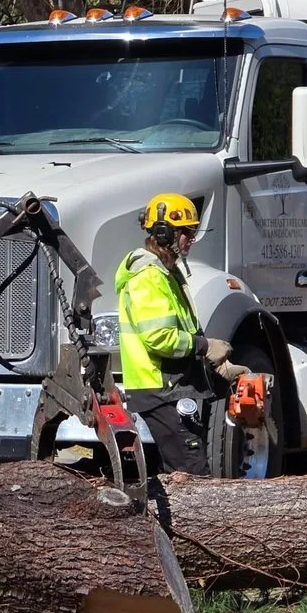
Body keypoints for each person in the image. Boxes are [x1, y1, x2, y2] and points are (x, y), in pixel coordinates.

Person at [115, 192, 246, 474]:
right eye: (187, 232)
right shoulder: (148, 278)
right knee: (190, 472)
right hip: (160, 388)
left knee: (182, 472)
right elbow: (160, 338)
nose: (191, 240)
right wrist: (204, 346)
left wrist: (210, 368)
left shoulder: (166, 273)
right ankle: (196, 519)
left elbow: (180, 330)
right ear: (164, 233)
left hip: (169, 386)